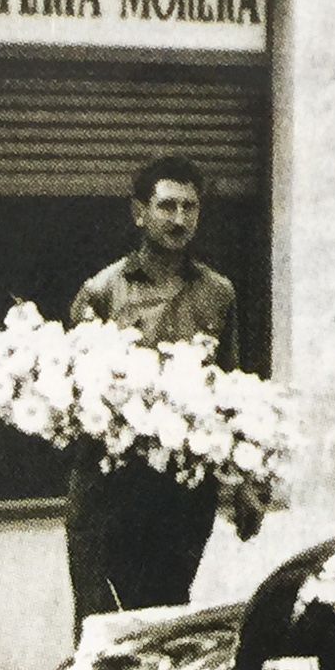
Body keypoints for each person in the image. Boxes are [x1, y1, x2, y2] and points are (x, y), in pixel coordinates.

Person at [63, 154, 240, 627]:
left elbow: (230, 391)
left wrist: (244, 485)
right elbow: (74, 397)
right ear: (139, 212)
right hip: (109, 495)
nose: (179, 219)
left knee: (165, 625)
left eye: (190, 207)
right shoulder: (103, 291)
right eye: (167, 206)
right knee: (101, 633)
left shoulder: (218, 293)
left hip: (181, 498)